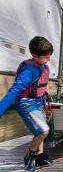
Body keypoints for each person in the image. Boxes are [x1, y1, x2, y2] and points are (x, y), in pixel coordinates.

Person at [0, 36, 53, 171]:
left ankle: (40, 157)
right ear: (34, 56)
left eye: (50, 56)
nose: (49, 60)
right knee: (43, 131)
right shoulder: (28, 71)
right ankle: (31, 155)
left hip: (38, 102)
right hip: (26, 103)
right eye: (46, 57)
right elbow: (14, 91)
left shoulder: (42, 66)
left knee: (41, 129)